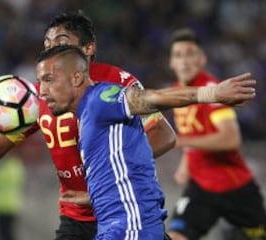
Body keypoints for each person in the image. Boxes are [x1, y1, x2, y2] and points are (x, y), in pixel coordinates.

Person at [0, 11, 176, 240]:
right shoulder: (39, 95)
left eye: (60, 42)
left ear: (88, 49)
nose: (50, 47)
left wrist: (107, 179)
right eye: (46, 43)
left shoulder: (116, 83)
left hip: (123, 207)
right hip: (76, 217)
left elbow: (163, 135)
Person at [35, 45, 256, 239]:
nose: (42, 91)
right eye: (40, 82)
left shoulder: (100, 99)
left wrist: (213, 93)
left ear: (76, 77)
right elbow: (126, 165)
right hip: (122, 227)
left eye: (49, 80)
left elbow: (151, 98)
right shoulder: (89, 117)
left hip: (130, 229)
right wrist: (93, 195)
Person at [166, 28, 266, 240]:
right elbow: (191, 133)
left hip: (234, 188)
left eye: (190, 54)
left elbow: (231, 138)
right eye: (178, 55)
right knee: (176, 235)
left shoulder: (215, 90)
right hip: (200, 188)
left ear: (202, 60)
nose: (184, 61)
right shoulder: (177, 93)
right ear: (171, 63)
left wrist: (182, 141)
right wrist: (186, 162)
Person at [0, 153, 25, 240]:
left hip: (0, 206)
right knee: (8, 232)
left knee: (3, 233)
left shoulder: (1, 168)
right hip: (12, 205)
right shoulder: (17, 166)